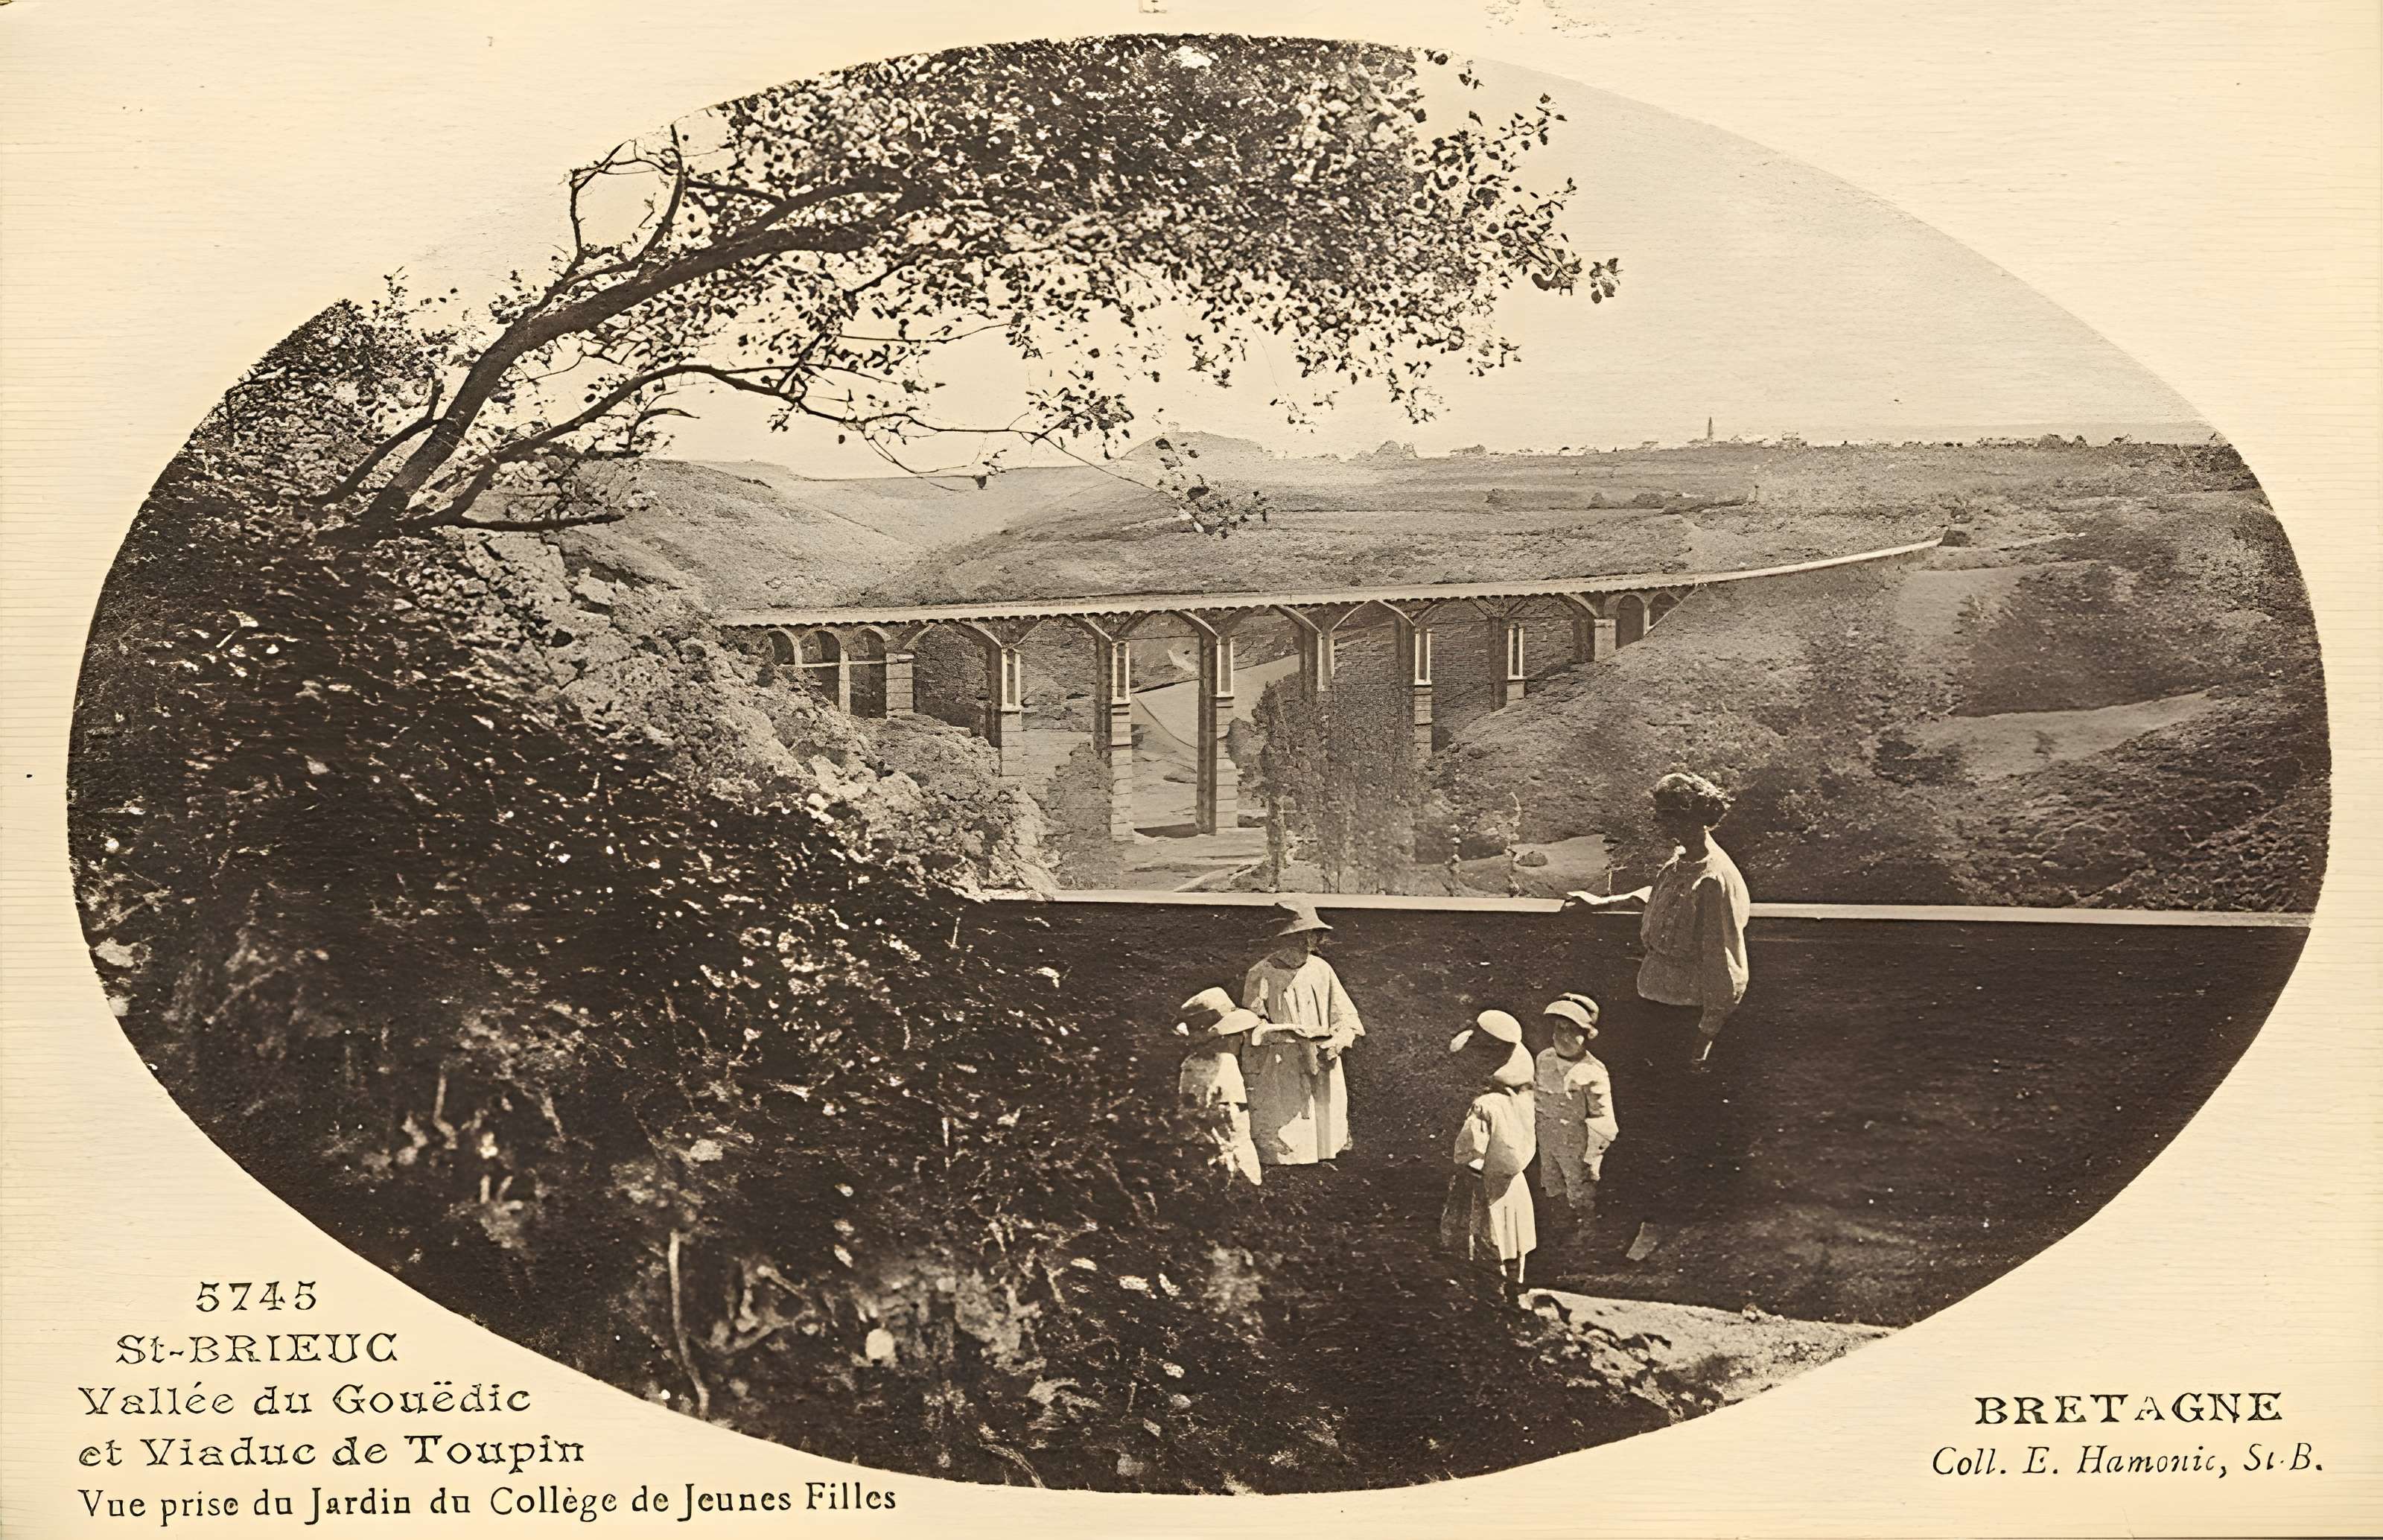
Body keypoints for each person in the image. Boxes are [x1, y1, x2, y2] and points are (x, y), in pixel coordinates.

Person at [1562, 771, 1752, 1260]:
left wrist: (1707, 1032)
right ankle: (1635, 1214)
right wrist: (1604, 902)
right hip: (1653, 1004)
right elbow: (1658, 898)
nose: (1659, 822)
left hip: (1685, 1018)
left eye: (1668, 814)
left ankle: (1659, 1222)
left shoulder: (1717, 878)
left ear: (1691, 817)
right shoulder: (1681, 863)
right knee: (1640, 1116)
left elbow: (1725, 961)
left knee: (1669, 1122)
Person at [1240, 898, 1364, 1166]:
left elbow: (1347, 1017)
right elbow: (1251, 1027)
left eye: (1310, 937)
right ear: (1280, 939)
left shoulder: (1322, 970)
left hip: (1321, 1059)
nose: (1305, 945)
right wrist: (1283, 1031)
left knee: (1324, 1131)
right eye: (1297, 937)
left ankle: (1321, 1168)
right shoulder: (1261, 974)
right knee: (1287, 1134)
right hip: (1281, 1063)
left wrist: (1338, 1040)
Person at [1439, 1010, 1539, 1292]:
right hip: (1513, 1184)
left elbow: (1472, 1155)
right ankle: (1513, 1291)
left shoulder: (1485, 1107)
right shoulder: (1523, 1100)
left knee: (1482, 1239)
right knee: (1510, 1239)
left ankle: (1483, 1298)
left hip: (1483, 1186)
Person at [1534, 993, 1618, 1226]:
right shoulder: (1544, 1059)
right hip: (1547, 1136)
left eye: (1573, 1030)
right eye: (1559, 1028)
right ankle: (1559, 1223)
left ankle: (1584, 1231)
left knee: (1579, 1190)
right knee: (1551, 1182)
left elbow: (1602, 1118)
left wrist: (1592, 1157)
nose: (1564, 1036)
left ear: (1588, 1035)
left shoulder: (1592, 1072)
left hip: (1576, 1145)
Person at [1174, 987, 1265, 1186]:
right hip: (1223, 1155)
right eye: (1236, 1034)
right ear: (1224, 1037)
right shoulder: (1217, 1065)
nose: (1241, 1039)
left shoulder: (1205, 1063)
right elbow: (1226, 1120)